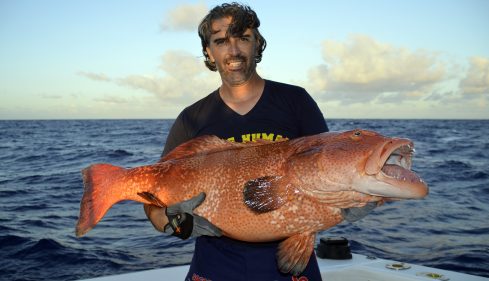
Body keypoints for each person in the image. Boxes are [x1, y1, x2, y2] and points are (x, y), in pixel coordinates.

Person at [144, 3, 377, 280]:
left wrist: (351, 196)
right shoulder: (191, 118)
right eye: (221, 41)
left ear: (257, 44)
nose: (233, 51)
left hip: (291, 263)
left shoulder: (296, 102)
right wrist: (170, 222)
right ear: (209, 51)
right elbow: (152, 193)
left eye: (243, 38)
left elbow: (328, 170)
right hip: (214, 262)